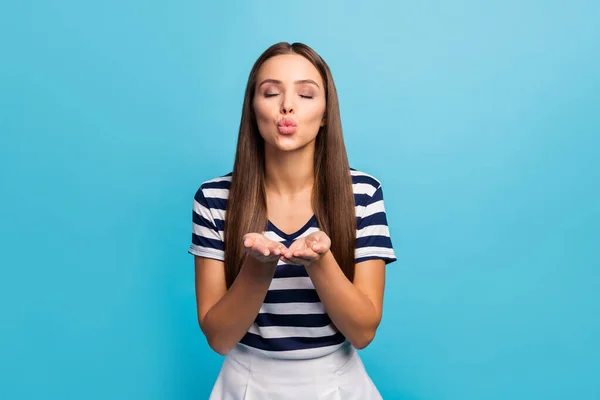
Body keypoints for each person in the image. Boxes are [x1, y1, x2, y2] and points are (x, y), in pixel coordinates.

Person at [189, 41, 396, 399]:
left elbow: (363, 332)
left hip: (339, 384)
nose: (287, 105)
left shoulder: (362, 193)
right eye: (271, 92)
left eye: (306, 94)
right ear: (253, 109)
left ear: (326, 111)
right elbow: (219, 339)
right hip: (245, 384)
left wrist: (319, 262)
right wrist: (258, 267)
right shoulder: (213, 199)